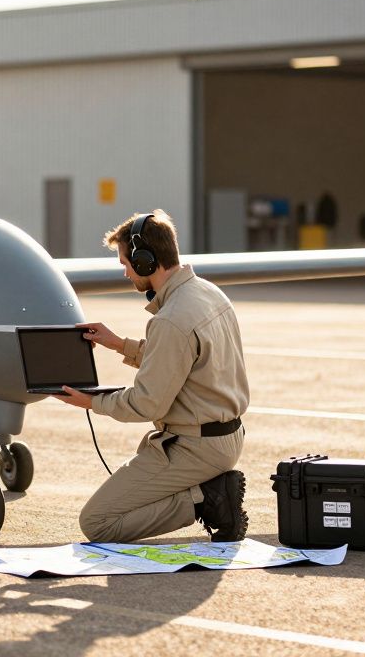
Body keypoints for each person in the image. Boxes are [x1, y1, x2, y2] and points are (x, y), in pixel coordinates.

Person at [56, 209, 249, 543]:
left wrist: (91, 401)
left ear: (146, 261)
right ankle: (207, 492)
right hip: (226, 437)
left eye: (125, 263)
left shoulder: (170, 319)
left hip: (195, 448)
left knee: (98, 522)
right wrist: (119, 344)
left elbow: (146, 405)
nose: (126, 272)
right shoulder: (208, 293)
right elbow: (182, 360)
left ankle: (208, 499)